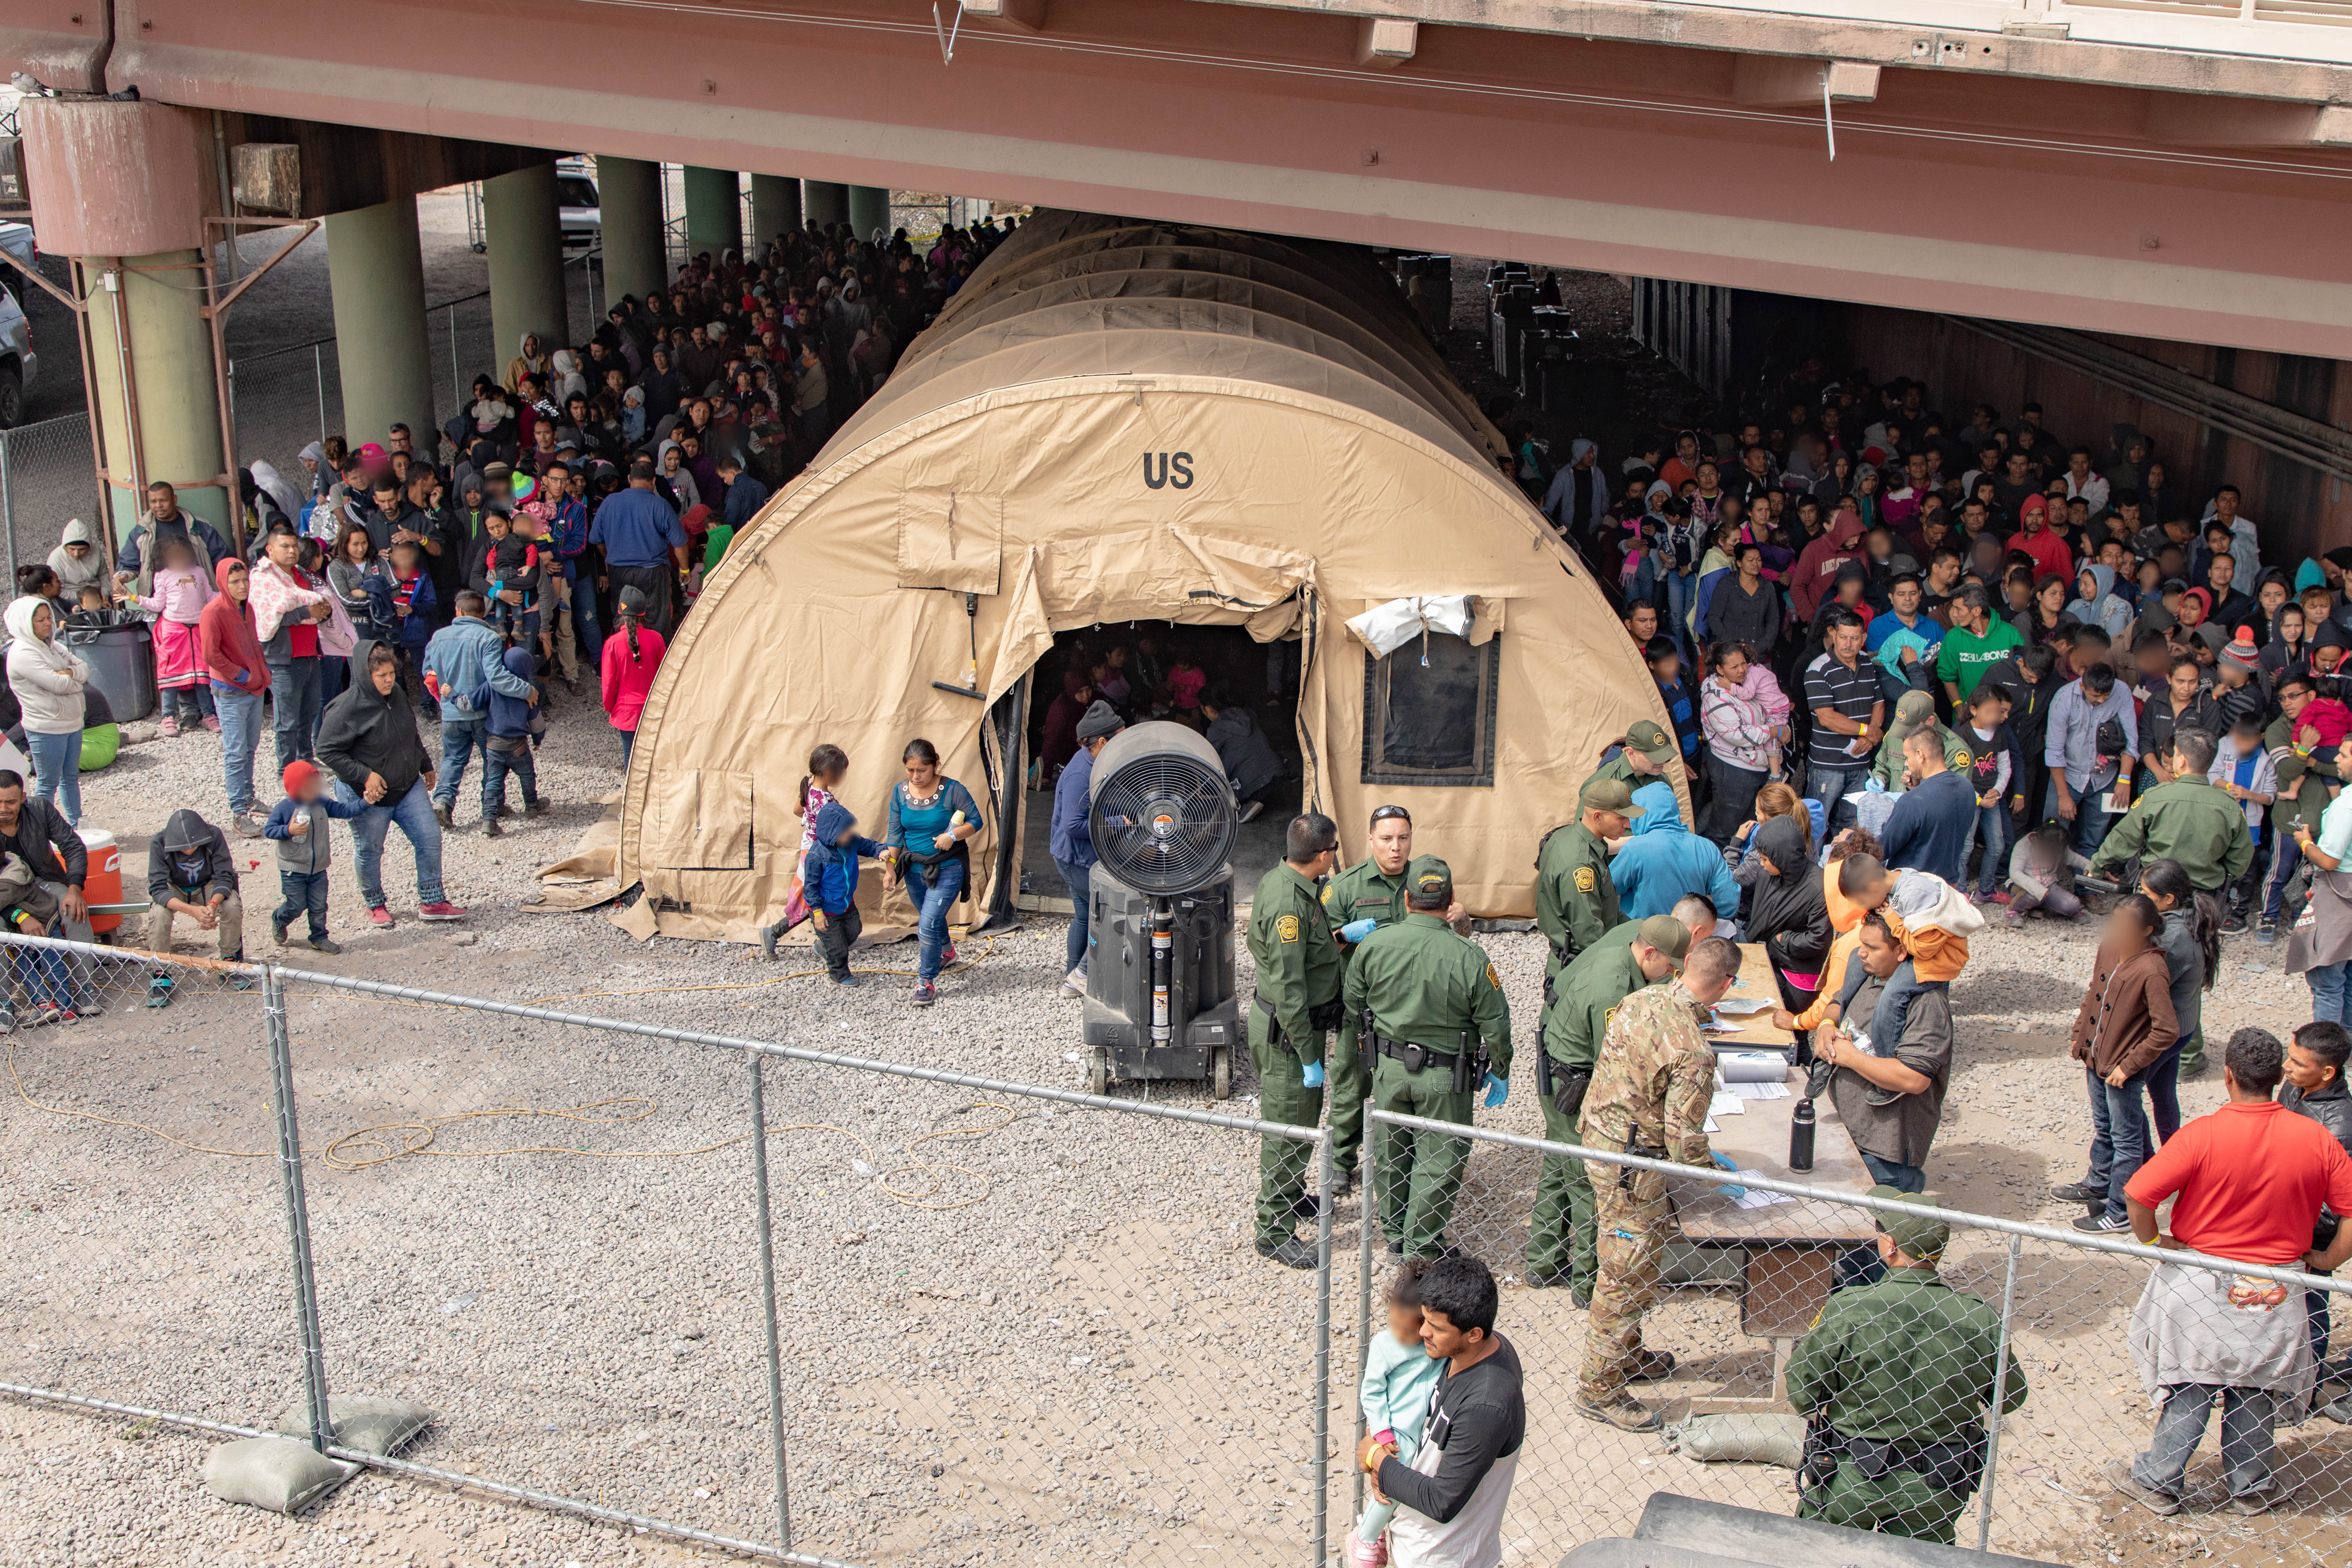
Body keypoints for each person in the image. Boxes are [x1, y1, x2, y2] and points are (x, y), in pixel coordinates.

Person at [2117, 1028, 2352, 1516]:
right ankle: (2250, 1485)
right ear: (2275, 1080)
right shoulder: (2315, 1137)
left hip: (2201, 1279)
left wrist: (2156, 1242)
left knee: (2192, 1383)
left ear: (2228, 1077)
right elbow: (2350, 1212)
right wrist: (2328, 1261)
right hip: (2276, 1285)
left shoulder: (2202, 1134)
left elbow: (2139, 1195)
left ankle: (2160, 1481)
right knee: (2256, 1386)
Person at [1787, 1188, 2028, 1545]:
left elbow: (1802, 1392)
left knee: (1822, 1549)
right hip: (1939, 1481)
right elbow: (2011, 1396)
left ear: (1891, 1247)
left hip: (1853, 1474)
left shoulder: (1852, 1306)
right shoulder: (1978, 1318)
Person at [1575, 934, 1744, 1431]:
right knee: (1626, 1272)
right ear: (1727, 985)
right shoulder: (1694, 1052)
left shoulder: (1640, 999)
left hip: (1599, 1141)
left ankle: (1626, 1354)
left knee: (1636, 1257)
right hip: (1633, 1166)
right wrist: (1716, 1175)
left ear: (1686, 962)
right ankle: (1598, 1387)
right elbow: (1682, 1139)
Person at [1525, 912, 1694, 1304]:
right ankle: (1587, 1285)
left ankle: (1542, 1263)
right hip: (1573, 1088)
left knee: (1558, 1167)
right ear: (1649, 952)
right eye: (1668, 966)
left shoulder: (1622, 951)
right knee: (1590, 1184)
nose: (1670, 975)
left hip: (1560, 1077)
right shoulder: (1612, 989)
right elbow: (1617, 1063)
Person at [1346, 860, 1511, 1260]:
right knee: (1439, 1158)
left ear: (1406, 899)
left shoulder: (1374, 944)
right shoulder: (1469, 955)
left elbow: (1353, 1000)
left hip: (1388, 1067)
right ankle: (1421, 1245)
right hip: (1444, 1074)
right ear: (1451, 900)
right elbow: (1496, 1022)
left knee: (1392, 1152)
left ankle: (1396, 1237)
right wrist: (1500, 1069)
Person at [1327, 806, 1462, 1194]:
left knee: (1409, 1091)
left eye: (1403, 838)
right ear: (1370, 839)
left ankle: (1405, 1166)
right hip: (1362, 1011)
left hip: (1413, 1011)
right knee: (1351, 1085)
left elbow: (1458, 941)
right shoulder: (1346, 887)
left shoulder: (1425, 880)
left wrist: (1463, 915)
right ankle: (1340, 1162)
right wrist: (1342, 936)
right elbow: (1319, 950)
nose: (1395, 848)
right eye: (1386, 839)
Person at [1356, 1256, 1525, 1568]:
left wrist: (1377, 1459)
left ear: (1474, 1333)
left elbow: (1441, 1501)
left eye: (1436, 1327)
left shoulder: (1486, 1406)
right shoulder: (1467, 1351)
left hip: (1443, 1556)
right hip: (1416, 1541)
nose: (1423, 1334)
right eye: (1424, 1320)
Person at [1246, 812, 1344, 1270]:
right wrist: (1309, 1055)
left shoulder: (1282, 879)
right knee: (1288, 1129)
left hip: (1286, 1027)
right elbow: (1288, 988)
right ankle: (1273, 1228)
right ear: (1323, 855)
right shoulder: (1290, 903)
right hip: (1288, 1036)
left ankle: (1289, 1193)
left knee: (1299, 1124)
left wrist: (1341, 937)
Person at [316, 641, 465, 928]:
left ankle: (433, 901)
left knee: (430, 838)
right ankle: (375, 904)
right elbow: (326, 750)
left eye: (391, 674)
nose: (388, 680)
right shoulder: (346, 709)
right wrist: (365, 775)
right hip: (368, 796)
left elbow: (408, 728)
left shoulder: (396, 693)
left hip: (407, 786)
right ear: (364, 676)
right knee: (371, 849)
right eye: (380, 675)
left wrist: (424, 763)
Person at [2056, 895, 2180, 1233]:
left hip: (2121, 1074)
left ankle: (2120, 1210)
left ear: (2147, 931)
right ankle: (2098, 1182)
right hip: (2095, 1060)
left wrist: (2130, 1066)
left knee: (2127, 1140)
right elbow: (2094, 991)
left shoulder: (2152, 970)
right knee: (2104, 1127)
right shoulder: (2110, 948)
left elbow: (2167, 1029)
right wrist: (2079, 1034)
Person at [1814, 913, 1956, 1192]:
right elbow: (1838, 1001)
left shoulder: (1926, 1004)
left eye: (1874, 947)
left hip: (1885, 1154)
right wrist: (1827, 1025)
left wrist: (1851, 1057)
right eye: (1861, 944)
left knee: (1886, 1232)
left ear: (1902, 951)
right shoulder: (1871, 974)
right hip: (1851, 1133)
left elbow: (1915, 1078)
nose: (1862, 953)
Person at [1351, 1258, 1443, 1567]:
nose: (1400, 1335)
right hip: (1397, 1432)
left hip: (1428, 1430)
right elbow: (1372, 1391)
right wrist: (1381, 1431)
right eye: (1396, 1326)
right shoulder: (1385, 1345)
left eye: (1409, 1331)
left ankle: (1376, 1528)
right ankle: (1365, 1537)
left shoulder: (1434, 1346)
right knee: (1395, 1478)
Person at [422, 590, 539, 829]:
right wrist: (527, 691)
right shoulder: (489, 638)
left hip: (451, 713)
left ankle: (443, 803)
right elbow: (497, 679)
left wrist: (446, 699)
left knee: (453, 759)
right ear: (484, 612)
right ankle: (494, 807)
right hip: (483, 713)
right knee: (492, 762)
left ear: (459, 611)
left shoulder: (438, 638)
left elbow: (429, 674)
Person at [2089, 729, 2253, 898]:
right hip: (2204, 894)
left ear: (2181, 761)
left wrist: (2099, 866)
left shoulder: (2155, 797)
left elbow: (2124, 839)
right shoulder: (2231, 806)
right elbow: (2241, 859)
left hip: (2156, 888)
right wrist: (2215, 874)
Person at [880, 738, 982, 1008]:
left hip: (948, 866)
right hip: (914, 868)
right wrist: (890, 867)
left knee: (927, 924)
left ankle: (926, 980)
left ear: (936, 765)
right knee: (932, 920)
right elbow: (895, 834)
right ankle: (947, 950)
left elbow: (976, 820)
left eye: (922, 770)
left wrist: (952, 834)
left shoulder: (952, 790)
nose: (916, 776)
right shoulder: (900, 793)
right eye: (910, 770)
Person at [2282, 1021, 2352, 1402]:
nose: (2287, 1068)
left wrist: (2313, 1252)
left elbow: (2338, 1206)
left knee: (2310, 1311)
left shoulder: (2339, 1128)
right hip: (2285, 1229)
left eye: (2297, 1063)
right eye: (2288, 1057)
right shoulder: (2296, 1088)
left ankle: (2303, 1394)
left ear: (2328, 1072)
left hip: (2309, 1241)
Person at [1535, 779, 1635, 1030]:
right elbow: (1590, 934)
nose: (1627, 824)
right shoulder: (1580, 864)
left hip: (1573, 957)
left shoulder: (1568, 837)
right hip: (1580, 964)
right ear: (1598, 816)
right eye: (1622, 818)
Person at [249, 525, 338, 775]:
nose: (291, 551)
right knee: (286, 721)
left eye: (294, 546)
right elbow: (268, 614)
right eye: (285, 546)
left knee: (308, 714)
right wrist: (305, 612)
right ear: (270, 550)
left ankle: (306, 759)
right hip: (283, 659)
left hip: (310, 653)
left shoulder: (301, 575)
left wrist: (321, 610)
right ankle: (285, 771)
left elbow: (320, 600)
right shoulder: (263, 578)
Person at [139, 808, 252, 995]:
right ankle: (160, 972)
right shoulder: (159, 843)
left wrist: (212, 905)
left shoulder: (214, 835)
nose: (190, 850)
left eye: (194, 846)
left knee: (232, 904)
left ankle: (228, 961)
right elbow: (158, 889)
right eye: (184, 848)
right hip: (174, 888)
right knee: (159, 913)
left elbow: (225, 877)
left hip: (207, 885)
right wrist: (193, 911)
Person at [2139, 857, 2220, 1116]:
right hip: (2183, 1025)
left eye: (2146, 895)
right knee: (2163, 1095)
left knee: (2126, 1091)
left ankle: (2146, 1156)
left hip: (2166, 1030)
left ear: (2169, 899)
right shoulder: (2191, 919)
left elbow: (2145, 989)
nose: (2140, 900)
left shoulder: (2171, 939)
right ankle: (2173, 1151)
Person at [1053, 699, 1121, 996]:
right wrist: (1118, 823)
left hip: (1076, 857)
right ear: (1103, 742)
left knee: (1083, 915)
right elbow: (1072, 824)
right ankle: (1081, 974)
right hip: (1075, 859)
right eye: (1120, 736)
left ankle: (1073, 977)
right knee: (1106, 913)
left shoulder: (1097, 761)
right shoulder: (1081, 774)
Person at [262, 759, 365, 954]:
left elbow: (344, 811)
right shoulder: (285, 808)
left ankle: (319, 937)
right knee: (296, 905)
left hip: (319, 868)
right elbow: (269, 830)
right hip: (293, 868)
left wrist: (366, 802)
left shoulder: (321, 802)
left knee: (319, 906)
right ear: (294, 790)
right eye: (308, 788)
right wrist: (289, 830)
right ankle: (279, 919)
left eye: (316, 786)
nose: (315, 791)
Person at [1608, 780, 1739, 928]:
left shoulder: (1635, 849)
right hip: (1690, 938)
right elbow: (1730, 900)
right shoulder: (1707, 848)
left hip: (1645, 938)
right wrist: (1706, 929)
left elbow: (1606, 890)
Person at [4, 596, 87, 827]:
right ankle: (41, 831)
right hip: (47, 727)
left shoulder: (54, 646)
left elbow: (85, 669)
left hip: (72, 722)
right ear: (24, 624)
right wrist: (76, 680)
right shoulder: (22, 652)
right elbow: (56, 684)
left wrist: (69, 674)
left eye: (49, 617)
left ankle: (76, 826)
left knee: (70, 779)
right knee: (48, 783)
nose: (47, 623)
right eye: (39, 620)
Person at [1803, 609, 1885, 835]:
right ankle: (1814, 870)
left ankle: (1839, 869)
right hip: (1828, 764)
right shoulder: (1818, 669)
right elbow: (1827, 718)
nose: (1848, 644)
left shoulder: (1867, 663)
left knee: (1849, 826)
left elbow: (1878, 701)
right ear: (1833, 634)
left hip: (1860, 761)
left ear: (1864, 639)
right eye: (1843, 637)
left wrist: (1870, 736)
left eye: (1855, 638)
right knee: (1816, 825)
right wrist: (1868, 730)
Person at [2044, 661, 2137, 857]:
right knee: (2051, 837)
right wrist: (2063, 796)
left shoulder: (2122, 692)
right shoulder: (2063, 699)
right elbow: (2054, 751)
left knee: (2094, 839)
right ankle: (2046, 883)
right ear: (2082, 686)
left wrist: (2124, 780)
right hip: (2068, 777)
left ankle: (2086, 885)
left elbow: (2132, 741)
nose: (2102, 700)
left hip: (2105, 778)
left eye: (2106, 696)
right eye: (2096, 696)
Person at [589, 456, 691, 635]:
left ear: (629, 479)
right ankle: (657, 660)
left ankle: (627, 659)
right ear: (653, 481)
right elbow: (680, 543)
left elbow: (596, 539)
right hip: (653, 574)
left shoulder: (610, 503)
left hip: (619, 573)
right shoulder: (660, 505)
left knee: (624, 621)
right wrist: (684, 570)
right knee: (657, 622)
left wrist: (608, 559)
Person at [133, 532, 218, 736]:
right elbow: (158, 604)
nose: (180, 560)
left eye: (183, 555)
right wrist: (134, 598)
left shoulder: (199, 572)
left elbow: (210, 596)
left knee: (202, 675)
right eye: (174, 557)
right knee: (170, 676)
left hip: (198, 630)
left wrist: (230, 593)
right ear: (164, 559)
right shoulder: (162, 577)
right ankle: (168, 717)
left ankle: (209, 715)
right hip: (173, 632)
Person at [1879, 728, 1976, 887]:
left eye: (1907, 757)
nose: (1906, 763)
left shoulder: (1912, 802)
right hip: (1949, 885)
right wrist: (1918, 787)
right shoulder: (1967, 788)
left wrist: (1850, 840)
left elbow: (1883, 850)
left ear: (1920, 755)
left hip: (1913, 889)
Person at [804, 798, 885, 986]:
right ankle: (838, 974)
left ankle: (826, 946)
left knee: (855, 929)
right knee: (839, 947)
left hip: (846, 904)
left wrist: (880, 851)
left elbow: (869, 846)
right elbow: (810, 888)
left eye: (850, 829)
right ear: (831, 833)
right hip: (825, 910)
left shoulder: (852, 842)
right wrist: (817, 913)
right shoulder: (817, 856)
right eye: (845, 831)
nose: (850, 834)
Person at [600, 585, 666, 770]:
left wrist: (610, 707)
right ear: (644, 612)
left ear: (620, 611)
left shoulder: (612, 644)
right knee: (653, 757)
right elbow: (665, 678)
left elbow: (608, 684)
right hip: (653, 709)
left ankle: (632, 797)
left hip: (627, 712)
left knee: (630, 755)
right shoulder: (657, 639)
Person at [1201, 688, 1284, 824]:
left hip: (1254, 786)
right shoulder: (1248, 713)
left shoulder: (1216, 729)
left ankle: (1247, 804)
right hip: (1277, 775)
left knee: (1215, 766)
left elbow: (1208, 759)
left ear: (1209, 709)